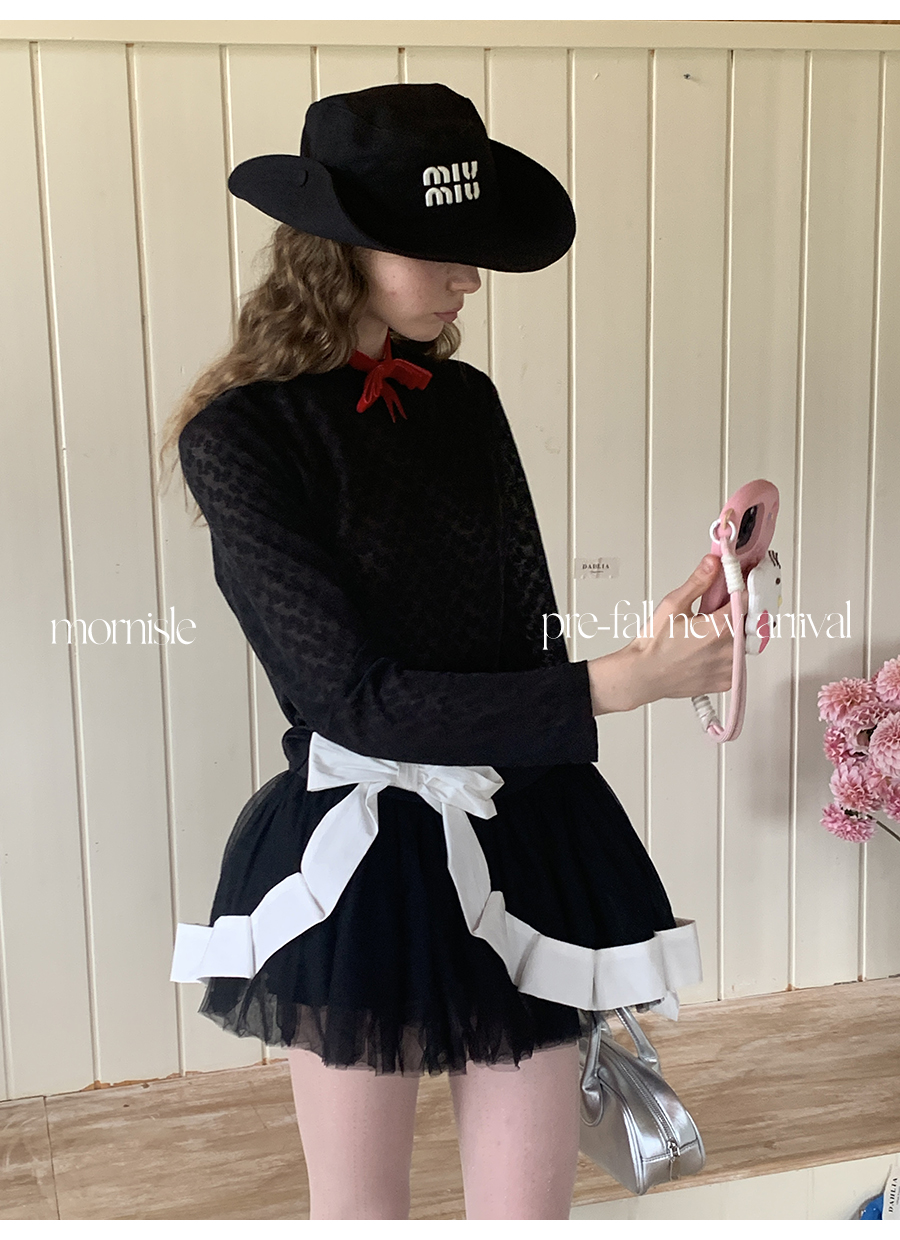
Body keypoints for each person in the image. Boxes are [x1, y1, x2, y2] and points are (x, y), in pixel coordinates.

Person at [159, 83, 734, 1221]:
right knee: (360, 1214)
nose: (469, 277)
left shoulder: (463, 400)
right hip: (360, 860)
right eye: (439, 250)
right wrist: (623, 685)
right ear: (339, 250)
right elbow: (353, 697)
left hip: (525, 826)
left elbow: (525, 637)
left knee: (528, 1215)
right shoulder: (241, 434)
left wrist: (652, 640)